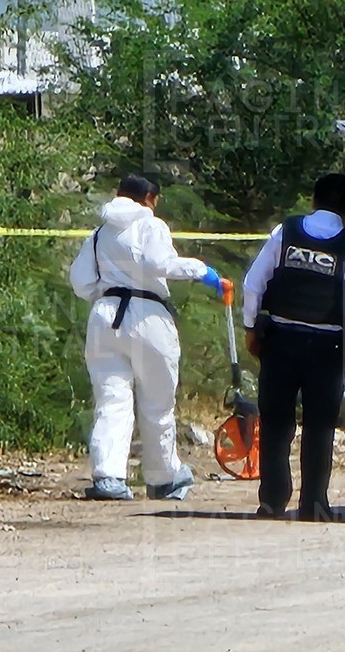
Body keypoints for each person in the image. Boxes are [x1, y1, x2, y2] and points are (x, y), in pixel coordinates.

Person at [70, 175, 226, 501]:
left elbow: (81, 282)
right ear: (150, 198)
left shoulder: (98, 235)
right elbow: (160, 263)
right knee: (157, 402)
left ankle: (108, 477)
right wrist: (203, 273)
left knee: (112, 400)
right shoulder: (150, 225)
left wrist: (110, 291)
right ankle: (163, 477)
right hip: (148, 316)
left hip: (105, 317)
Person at [243, 173, 345, 521]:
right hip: (326, 347)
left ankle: (271, 501)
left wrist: (250, 328)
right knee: (319, 428)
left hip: (280, 339)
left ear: (313, 200)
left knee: (275, 423)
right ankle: (314, 505)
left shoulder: (285, 232)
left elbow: (253, 283)